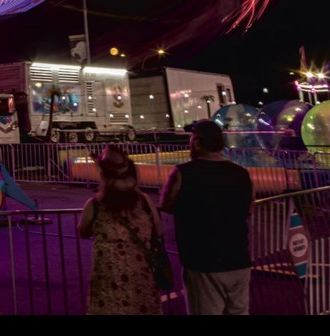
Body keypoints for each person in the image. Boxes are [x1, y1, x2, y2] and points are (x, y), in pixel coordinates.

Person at [160, 119, 254, 315]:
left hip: (203, 261)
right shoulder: (242, 174)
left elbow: (166, 205)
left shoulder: (183, 173)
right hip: (239, 259)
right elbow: (248, 208)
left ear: (197, 142)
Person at [77, 144, 163, 315]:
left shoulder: (95, 204)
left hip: (108, 280)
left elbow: (83, 231)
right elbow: (158, 231)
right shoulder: (144, 201)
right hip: (141, 276)